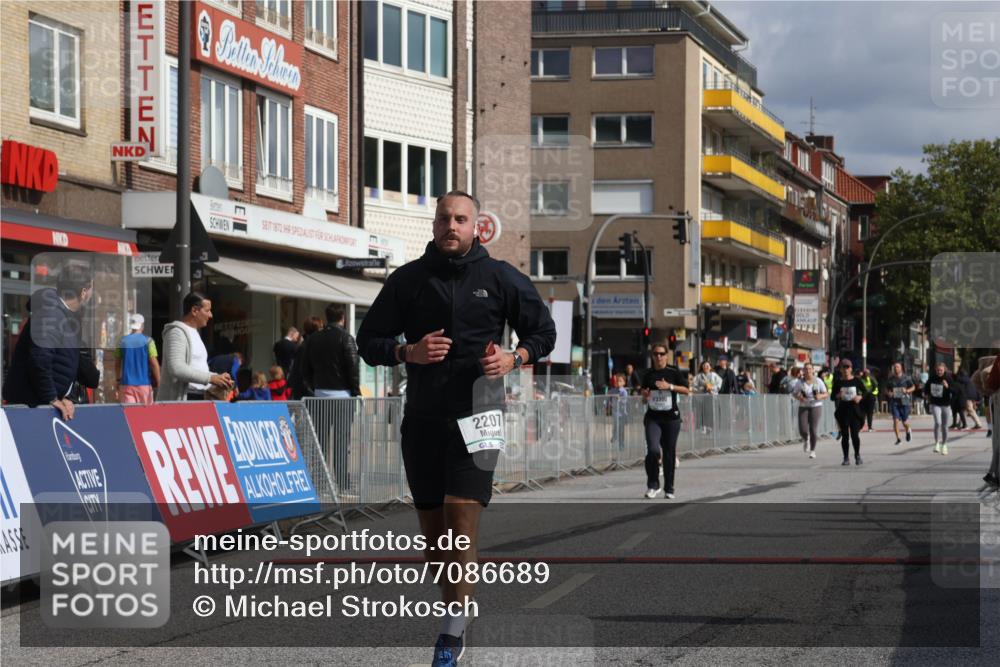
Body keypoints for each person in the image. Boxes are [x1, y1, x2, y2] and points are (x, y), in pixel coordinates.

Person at [356, 190, 556, 665]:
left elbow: (543, 333)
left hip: (480, 414)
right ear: (434, 225)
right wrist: (408, 351)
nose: (452, 225)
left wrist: (513, 357)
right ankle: (458, 608)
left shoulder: (500, 277)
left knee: (460, 520)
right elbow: (367, 340)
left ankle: (450, 633)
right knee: (434, 537)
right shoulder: (409, 280)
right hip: (423, 418)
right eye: (444, 218)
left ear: (475, 227)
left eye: (461, 219)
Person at [3, 265, 93, 420]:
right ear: (83, 292)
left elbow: (60, 363)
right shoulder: (50, 313)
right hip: (30, 409)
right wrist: (51, 397)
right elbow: (40, 358)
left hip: (41, 405)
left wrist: (63, 397)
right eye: (91, 288)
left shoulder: (65, 315)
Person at [157, 292, 233, 401]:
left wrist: (218, 378)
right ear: (194, 311)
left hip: (198, 397)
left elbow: (197, 368)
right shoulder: (176, 333)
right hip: (183, 400)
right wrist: (211, 378)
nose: (210, 315)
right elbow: (177, 368)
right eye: (207, 310)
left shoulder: (194, 333)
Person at [640, 343, 690, 500]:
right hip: (653, 418)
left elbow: (687, 390)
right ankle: (653, 485)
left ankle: (669, 488)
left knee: (669, 454)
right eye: (655, 354)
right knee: (653, 450)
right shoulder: (648, 374)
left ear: (666, 356)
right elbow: (644, 397)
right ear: (652, 356)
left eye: (661, 354)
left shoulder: (673, 372)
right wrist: (645, 396)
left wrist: (670, 386)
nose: (658, 357)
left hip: (671, 419)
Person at [301, 304, 361, 399]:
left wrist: (311, 389)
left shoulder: (313, 338)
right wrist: (356, 392)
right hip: (343, 393)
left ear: (327, 317)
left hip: (319, 391)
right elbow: (353, 366)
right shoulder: (346, 338)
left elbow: (305, 367)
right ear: (343, 317)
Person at [115, 314, 160, 405]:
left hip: (127, 384)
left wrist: (118, 380)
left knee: (129, 412)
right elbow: (154, 364)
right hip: (144, 386)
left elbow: (117, 363)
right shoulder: (148, 341)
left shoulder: (122, 341)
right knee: (146, 413)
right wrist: (159, 382)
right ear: (142, 325)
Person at [832, 359, 868, 465]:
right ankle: (846, 457)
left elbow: (866, 392)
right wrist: (838, 395)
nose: (845, 369)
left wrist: (860, 397)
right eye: (843, 367)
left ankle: (857, 455)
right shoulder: (838, 382)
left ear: (851, 369)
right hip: (843, 411)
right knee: (845, 436)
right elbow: (832, 396)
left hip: (855, 411)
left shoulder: (856, 381)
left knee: (854, 435)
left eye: (847, 367)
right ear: (840, 369)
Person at [793, 362, 828, 458]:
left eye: (809, 369)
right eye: (806, 369)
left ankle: (813, 450)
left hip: (816, 406)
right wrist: (799, 398)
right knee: (802, 429)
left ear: (813, 370)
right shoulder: (800, 382)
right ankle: (806, 439)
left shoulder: (818, 381)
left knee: (813, 429)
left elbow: (826, 393)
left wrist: (820, 396)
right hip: (803, 406)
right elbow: (794, 393)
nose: (808, 371)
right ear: (803, 371)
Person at [288, 316, 323, 399]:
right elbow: (302, 373)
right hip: (306, 393)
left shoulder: (305, 345)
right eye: (321, 327)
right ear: (317, 329)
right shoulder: (307, 347)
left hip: (305, 391)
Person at [926, 362, 953, 455]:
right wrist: (926, 394)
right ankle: (937, 443)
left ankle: (944, 444)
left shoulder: (948, 378)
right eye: (938, 370)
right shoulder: (932, 378)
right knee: (938, 422)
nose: (939, 372)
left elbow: (955, 390)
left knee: (945, 426)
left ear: (944, 370)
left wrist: (947, 386)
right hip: (935, 403)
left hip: (945, 404)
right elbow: (926, 388)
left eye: (941, 370)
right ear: (935, 370)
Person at [885, 362, 915, 445]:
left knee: (904, 422)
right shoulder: (891, 379)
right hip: (894, 402)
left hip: (904, 402)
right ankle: (898, 439)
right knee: (895, 420)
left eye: (897, 367)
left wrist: (907, 391)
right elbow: (886, 389)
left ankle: (908, 430)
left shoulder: (906, 378)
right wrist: (888, 393)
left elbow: (913, 387)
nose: (896, 368)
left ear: (901, 368)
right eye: (894, 367)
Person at [692, 360, 721, 435]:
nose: (706, 367)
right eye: (704, 366)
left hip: (711, 396)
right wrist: (702, 388)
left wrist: (712, 388)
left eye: (707, 366)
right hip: (701, 397)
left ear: (710, 367)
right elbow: (694, 386)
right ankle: (703, 427)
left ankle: (710, 427)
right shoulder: (698, 376)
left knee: (710, 412)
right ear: (702, 367)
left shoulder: (714, 375)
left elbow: (719, 384)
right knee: (702, 413)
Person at [611, 373, 629, 451]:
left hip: (622, 414)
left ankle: (621, 444)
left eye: (620, 381)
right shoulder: (613, 390)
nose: (618, 382)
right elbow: (608, 397)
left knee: (621, 430)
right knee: (615, 426)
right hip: (615, 413)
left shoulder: (624, 392)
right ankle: (614, 436)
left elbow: (624, 401)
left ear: (624, 382)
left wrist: (620, 399)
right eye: (617, 381)